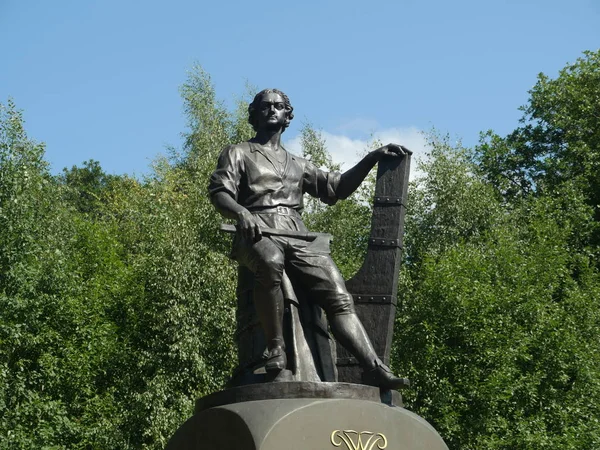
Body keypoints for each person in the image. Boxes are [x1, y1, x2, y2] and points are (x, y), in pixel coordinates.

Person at [209, 88, 408, 389]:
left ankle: (372, 366)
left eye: (278, 106)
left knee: (337, 294)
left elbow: (336, 188)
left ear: (288, 115)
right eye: (265, 106)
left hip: (297, 233)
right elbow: (220, 192)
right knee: (270, 262)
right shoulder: (238, 153)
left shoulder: (298, 164)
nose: (271, 110)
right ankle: (275, 348)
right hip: (257, 229)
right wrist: (240, 213)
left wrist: (370, 158)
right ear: (255, 114)